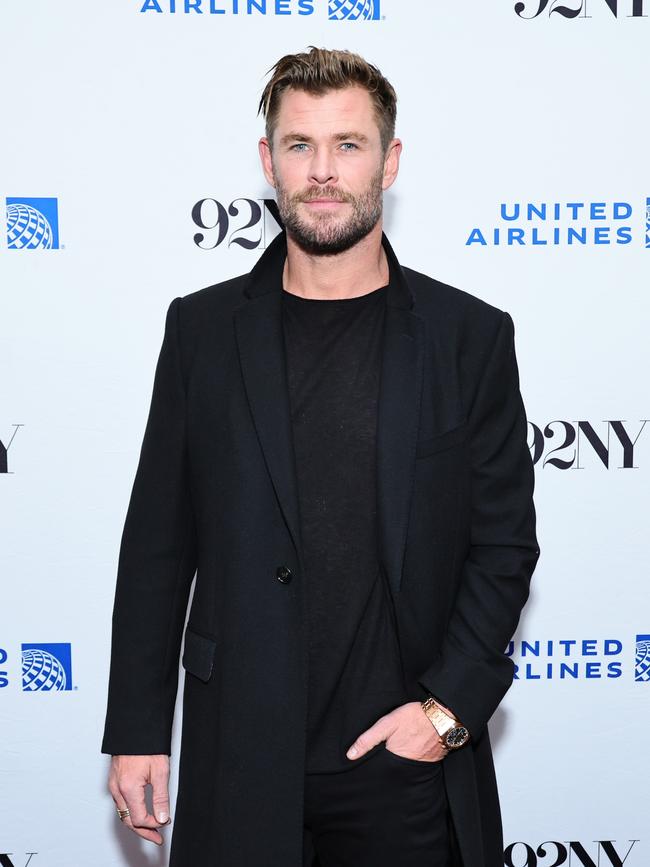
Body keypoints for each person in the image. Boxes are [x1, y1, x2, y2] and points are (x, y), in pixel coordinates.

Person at [102, 46, 540, 867]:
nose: (324, 171)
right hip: (240, 754)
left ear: (390, 160)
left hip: (402, 768)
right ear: (268, 162)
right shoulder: (200, 331)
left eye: (349, 144)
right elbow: (159, 543)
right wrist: (136, 729)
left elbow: (504, 544)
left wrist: (445, 715)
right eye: (300, 146)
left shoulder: (468, 338)